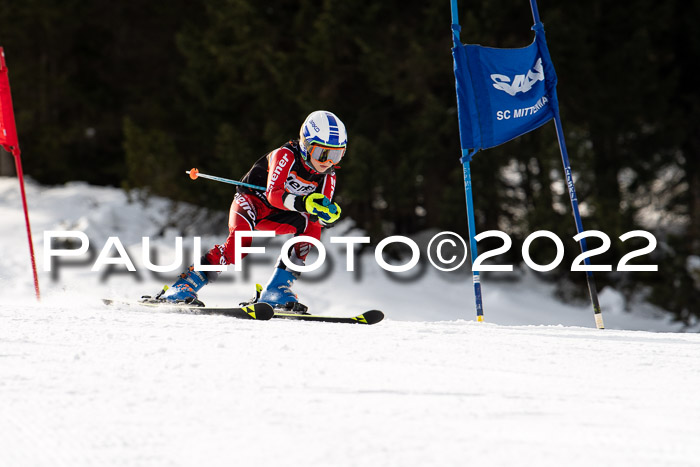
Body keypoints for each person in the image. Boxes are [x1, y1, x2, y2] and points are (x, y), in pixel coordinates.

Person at [157, 110, 346, 310]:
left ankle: (276, 288)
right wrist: (306, 203)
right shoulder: (286, 155)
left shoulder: (328, 176)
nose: (328, 162)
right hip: (251, 202)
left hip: (276, 214)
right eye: (321, 153)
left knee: (312, 227)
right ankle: (184, 284)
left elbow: (318, 211)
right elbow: (274, 195)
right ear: (306, 145)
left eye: (336, 155)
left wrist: (327, 216)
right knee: (240, 246)